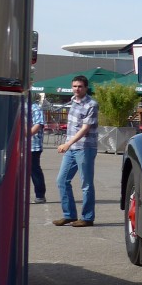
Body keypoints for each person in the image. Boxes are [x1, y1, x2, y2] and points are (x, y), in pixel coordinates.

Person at [54, 75, 98, 228]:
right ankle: (69, 215)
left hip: (85, 148)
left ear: (86, 88)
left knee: (86, 184)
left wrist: (67, 144)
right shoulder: (73, 101)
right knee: (62, 180)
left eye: (80, 86)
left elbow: (85, 129)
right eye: (74, 86)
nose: (77, 89)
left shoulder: (91, 104)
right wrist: (68, 144)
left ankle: (87, 217)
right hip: (71, 148)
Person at [29, 97, 46, 203]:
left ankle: (40, 195)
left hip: (33, 146)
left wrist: (24, 136)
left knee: (34, 170)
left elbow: (38, 125)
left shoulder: (34, 108)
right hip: (19, 145)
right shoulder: (17, 105)